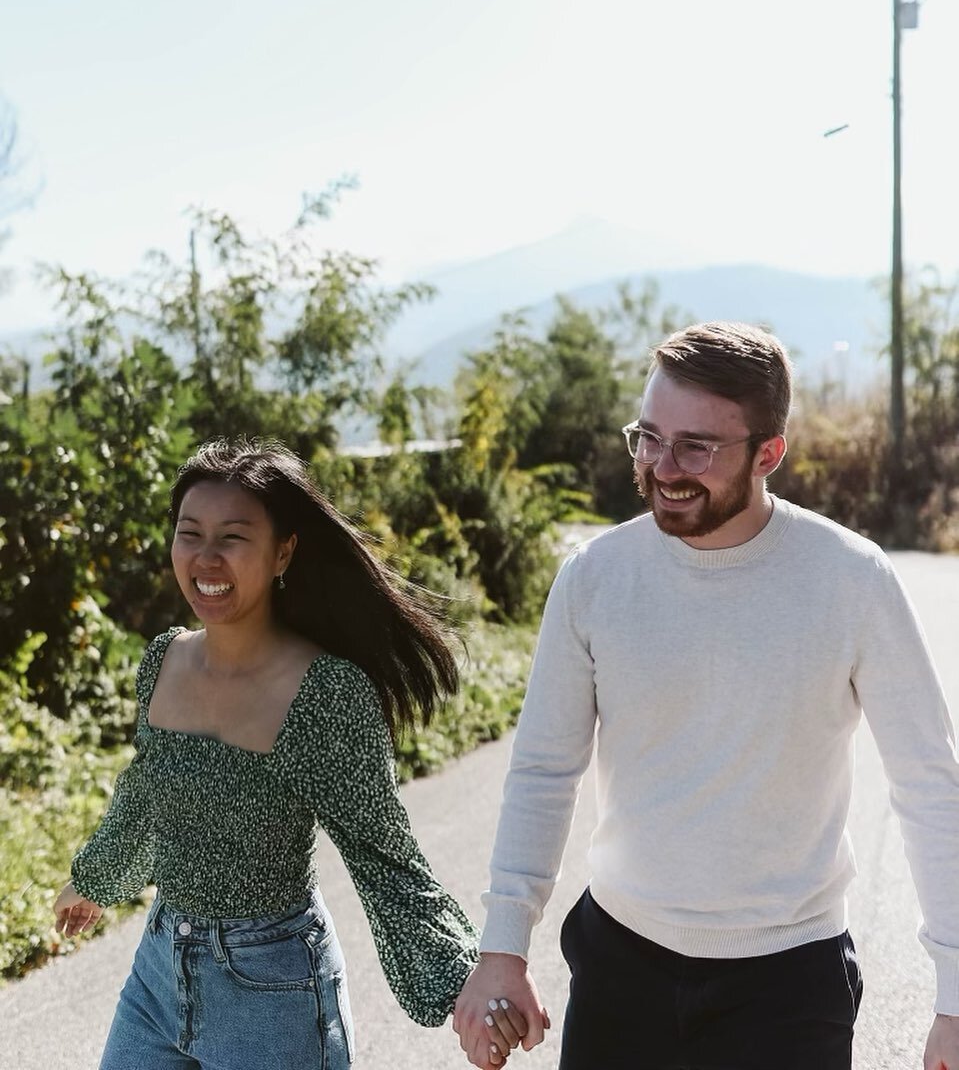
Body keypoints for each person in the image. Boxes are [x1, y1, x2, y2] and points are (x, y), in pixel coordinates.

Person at [453, 321, 959, 1070]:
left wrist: (953, 995)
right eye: (648, 437)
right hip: (620, 966)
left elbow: (928, 787)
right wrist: (503, 947)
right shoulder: (594, 576)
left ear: (768, 453)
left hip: (788, 983)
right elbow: (542, 769)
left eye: (696, 446)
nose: (662, 466)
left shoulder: (851, 580)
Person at [54, 437, 513, 1070]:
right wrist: (93, 879)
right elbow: (146, 793)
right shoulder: (165, 659)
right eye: (190, 534)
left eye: (233, 538)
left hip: (272, 995)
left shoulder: (325, 694)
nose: (206, 558)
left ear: (283, 552)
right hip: (159, 977)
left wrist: (468, 985)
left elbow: (386, 859)